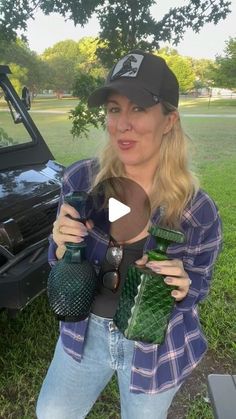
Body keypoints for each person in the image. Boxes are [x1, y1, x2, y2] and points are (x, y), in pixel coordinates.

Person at [36, 50, 222, 419]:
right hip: (84, 336)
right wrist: (58, 247)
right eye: (114, 109)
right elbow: (57, 259)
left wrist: (184, 287)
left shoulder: (197, 211)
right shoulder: (81, 183)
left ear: (169, 120)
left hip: (155, 349)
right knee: (51, 413)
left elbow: (198, 285)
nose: (122, 124)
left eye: (138, 108)